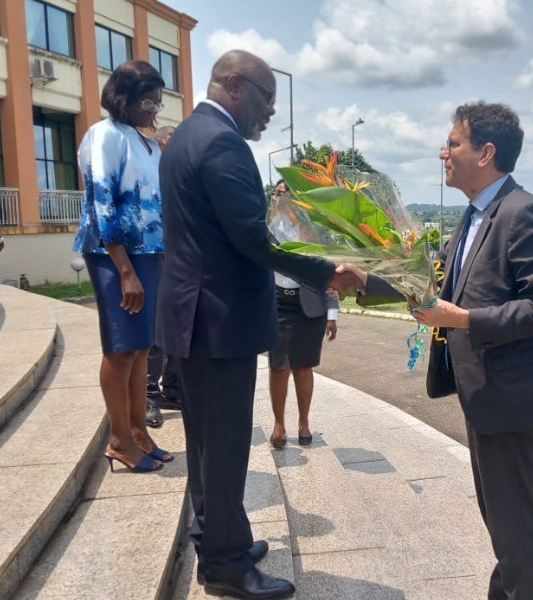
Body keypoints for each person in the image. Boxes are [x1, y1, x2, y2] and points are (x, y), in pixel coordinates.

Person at [156, 50, 362, 600]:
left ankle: (220, 538)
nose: (272, 109)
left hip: (193, 317)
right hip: (217, 323)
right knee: (222, 449)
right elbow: (254, 236)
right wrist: (329, 272)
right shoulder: (220, 142)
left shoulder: (184, 136)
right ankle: (225, 566)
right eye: (266, 97)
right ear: (232, 85)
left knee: (205, 444)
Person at [411, 102, 533, 600]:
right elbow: (442, 283)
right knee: (501, 519)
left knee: (514, 524)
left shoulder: (524, 212)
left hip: (510, 396)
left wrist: (460, 320)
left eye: (453, 143)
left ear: (487, 152)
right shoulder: (475, 214)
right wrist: (368, 275)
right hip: (483, 392)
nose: (443, 153)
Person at [73, 60, 172, 474]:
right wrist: (125, 270)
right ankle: (118, 439)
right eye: (148, 101)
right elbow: (102, 203)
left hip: (149, 255)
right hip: (115, 257)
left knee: (139, 348)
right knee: (119, 350)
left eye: (157, 102)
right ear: (124, 98)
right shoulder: (103, 135)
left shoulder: (144, 141)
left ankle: (138, 433)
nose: (154, 110)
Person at [268, 181, 339, 448]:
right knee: (279, 365)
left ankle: (304, 422)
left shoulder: (314, 229)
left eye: (286, 192)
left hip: (308, 304)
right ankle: (278, 424)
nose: (280, 197)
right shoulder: (265, 227)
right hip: (276, 303)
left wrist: (333, 313)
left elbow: (329, 271)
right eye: (276, 193)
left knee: (303, 366)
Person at [143, 125, 179, 429]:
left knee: (180, 329)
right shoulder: (148, 178)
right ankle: (150, 398)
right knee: (156, 336)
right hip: (154, 261)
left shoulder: (180, 177)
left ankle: (173, 391)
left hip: (181, 262)